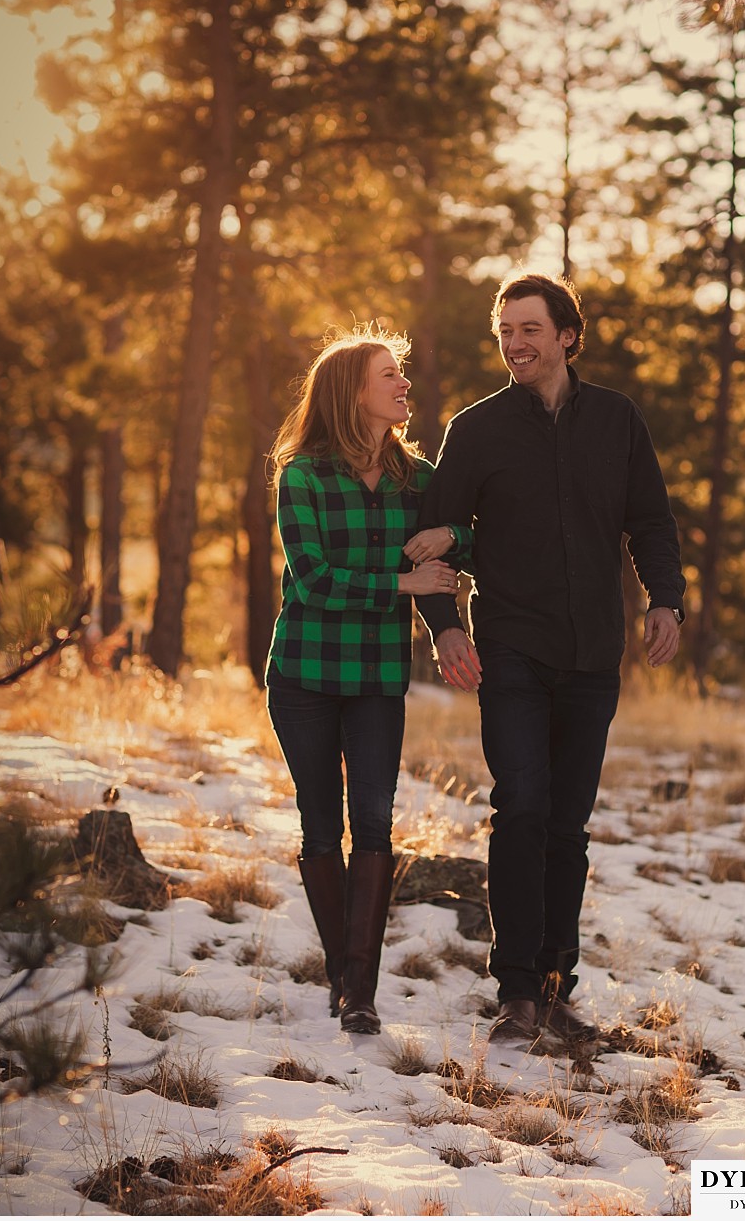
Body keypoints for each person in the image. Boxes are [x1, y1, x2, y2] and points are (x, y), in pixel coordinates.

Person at [418, 273, 686, 1046]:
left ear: (567, 335)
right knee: (523, 805)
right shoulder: (475, 430)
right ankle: (515, 993)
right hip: (512, 649)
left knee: (568, 823)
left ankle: (556, 987)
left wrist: (663, 598)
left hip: (595, 656)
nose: (514, 343)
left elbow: (651, 521)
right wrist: (445, 628)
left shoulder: (617, 420)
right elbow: (435, 535)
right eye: (504, 331)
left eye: (529, 328)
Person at [266, 325, 466, 1036]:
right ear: (353, 391)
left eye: (401, 374)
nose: (403, 384)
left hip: (379, 675)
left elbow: (464, 527)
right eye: (389, 375)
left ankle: (360, 991)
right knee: (321, 825)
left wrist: (450, 543)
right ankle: (341, 973)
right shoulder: (302, 476)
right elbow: (312, 578)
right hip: (306, 675)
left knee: (375, 822)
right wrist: (403, 579)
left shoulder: (417, 477)